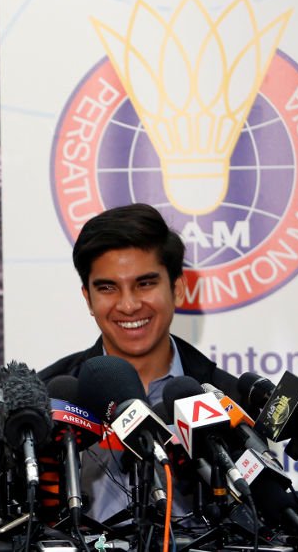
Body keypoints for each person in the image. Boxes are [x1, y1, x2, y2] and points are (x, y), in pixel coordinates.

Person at [38, 203, 245, 522]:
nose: (129, 305)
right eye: (107, 288)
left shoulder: (228, 399)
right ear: (88, 299)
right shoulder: (50, 400)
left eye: (145, 284)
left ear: (177, 289)